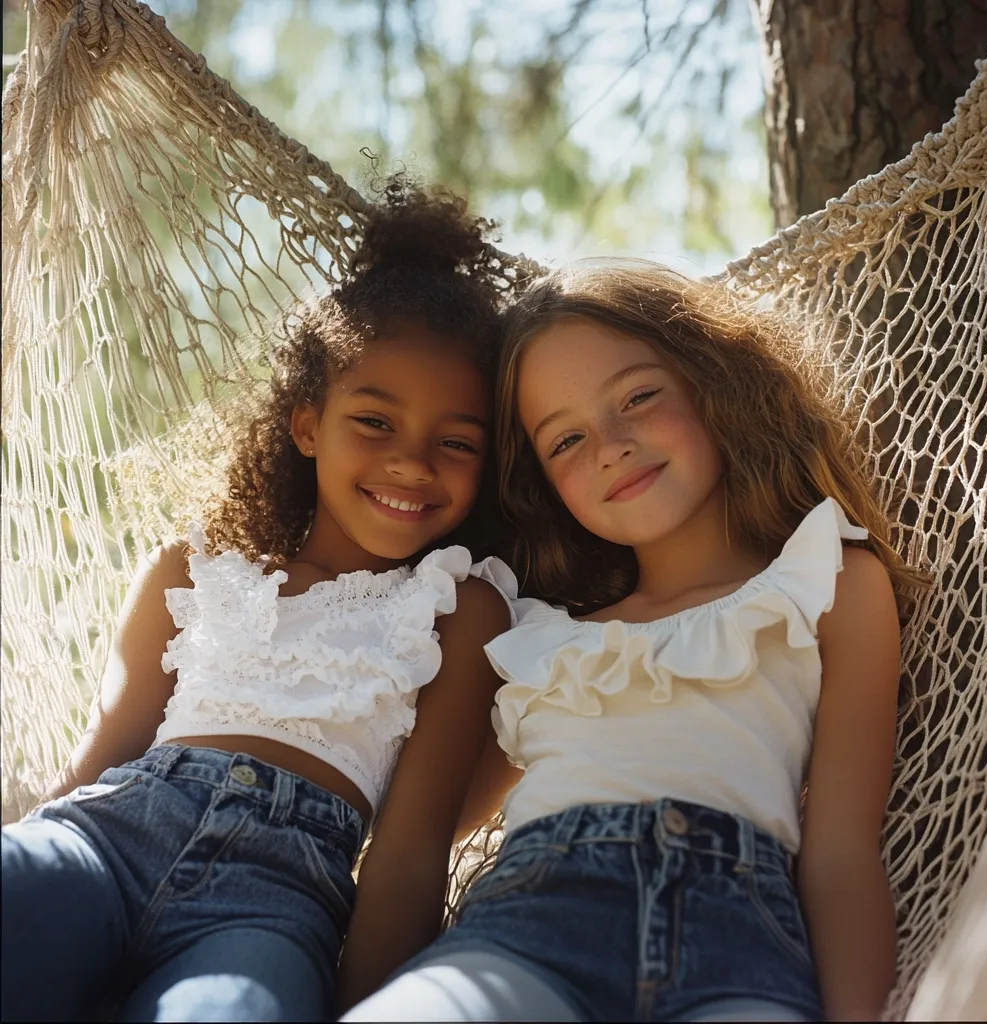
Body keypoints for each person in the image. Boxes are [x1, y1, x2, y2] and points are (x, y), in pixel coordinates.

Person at [343, 259, 928, 1023]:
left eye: (639, 398)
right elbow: (418, 836)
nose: (610, 446)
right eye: (566, 440)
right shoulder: (534, 637)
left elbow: (842, 856)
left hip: (737, 947)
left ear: (711, 382)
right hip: (526, 932)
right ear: (543, 487)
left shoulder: (826, 580)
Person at [1, 178, 523, 1023]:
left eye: (456, 442)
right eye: (375, 422)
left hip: (272, 904)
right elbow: (99, 760)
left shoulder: (457, 611)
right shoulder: (193, 570)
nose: (412, 462)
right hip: (105, 839)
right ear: (307, 424)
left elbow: (408, 854)